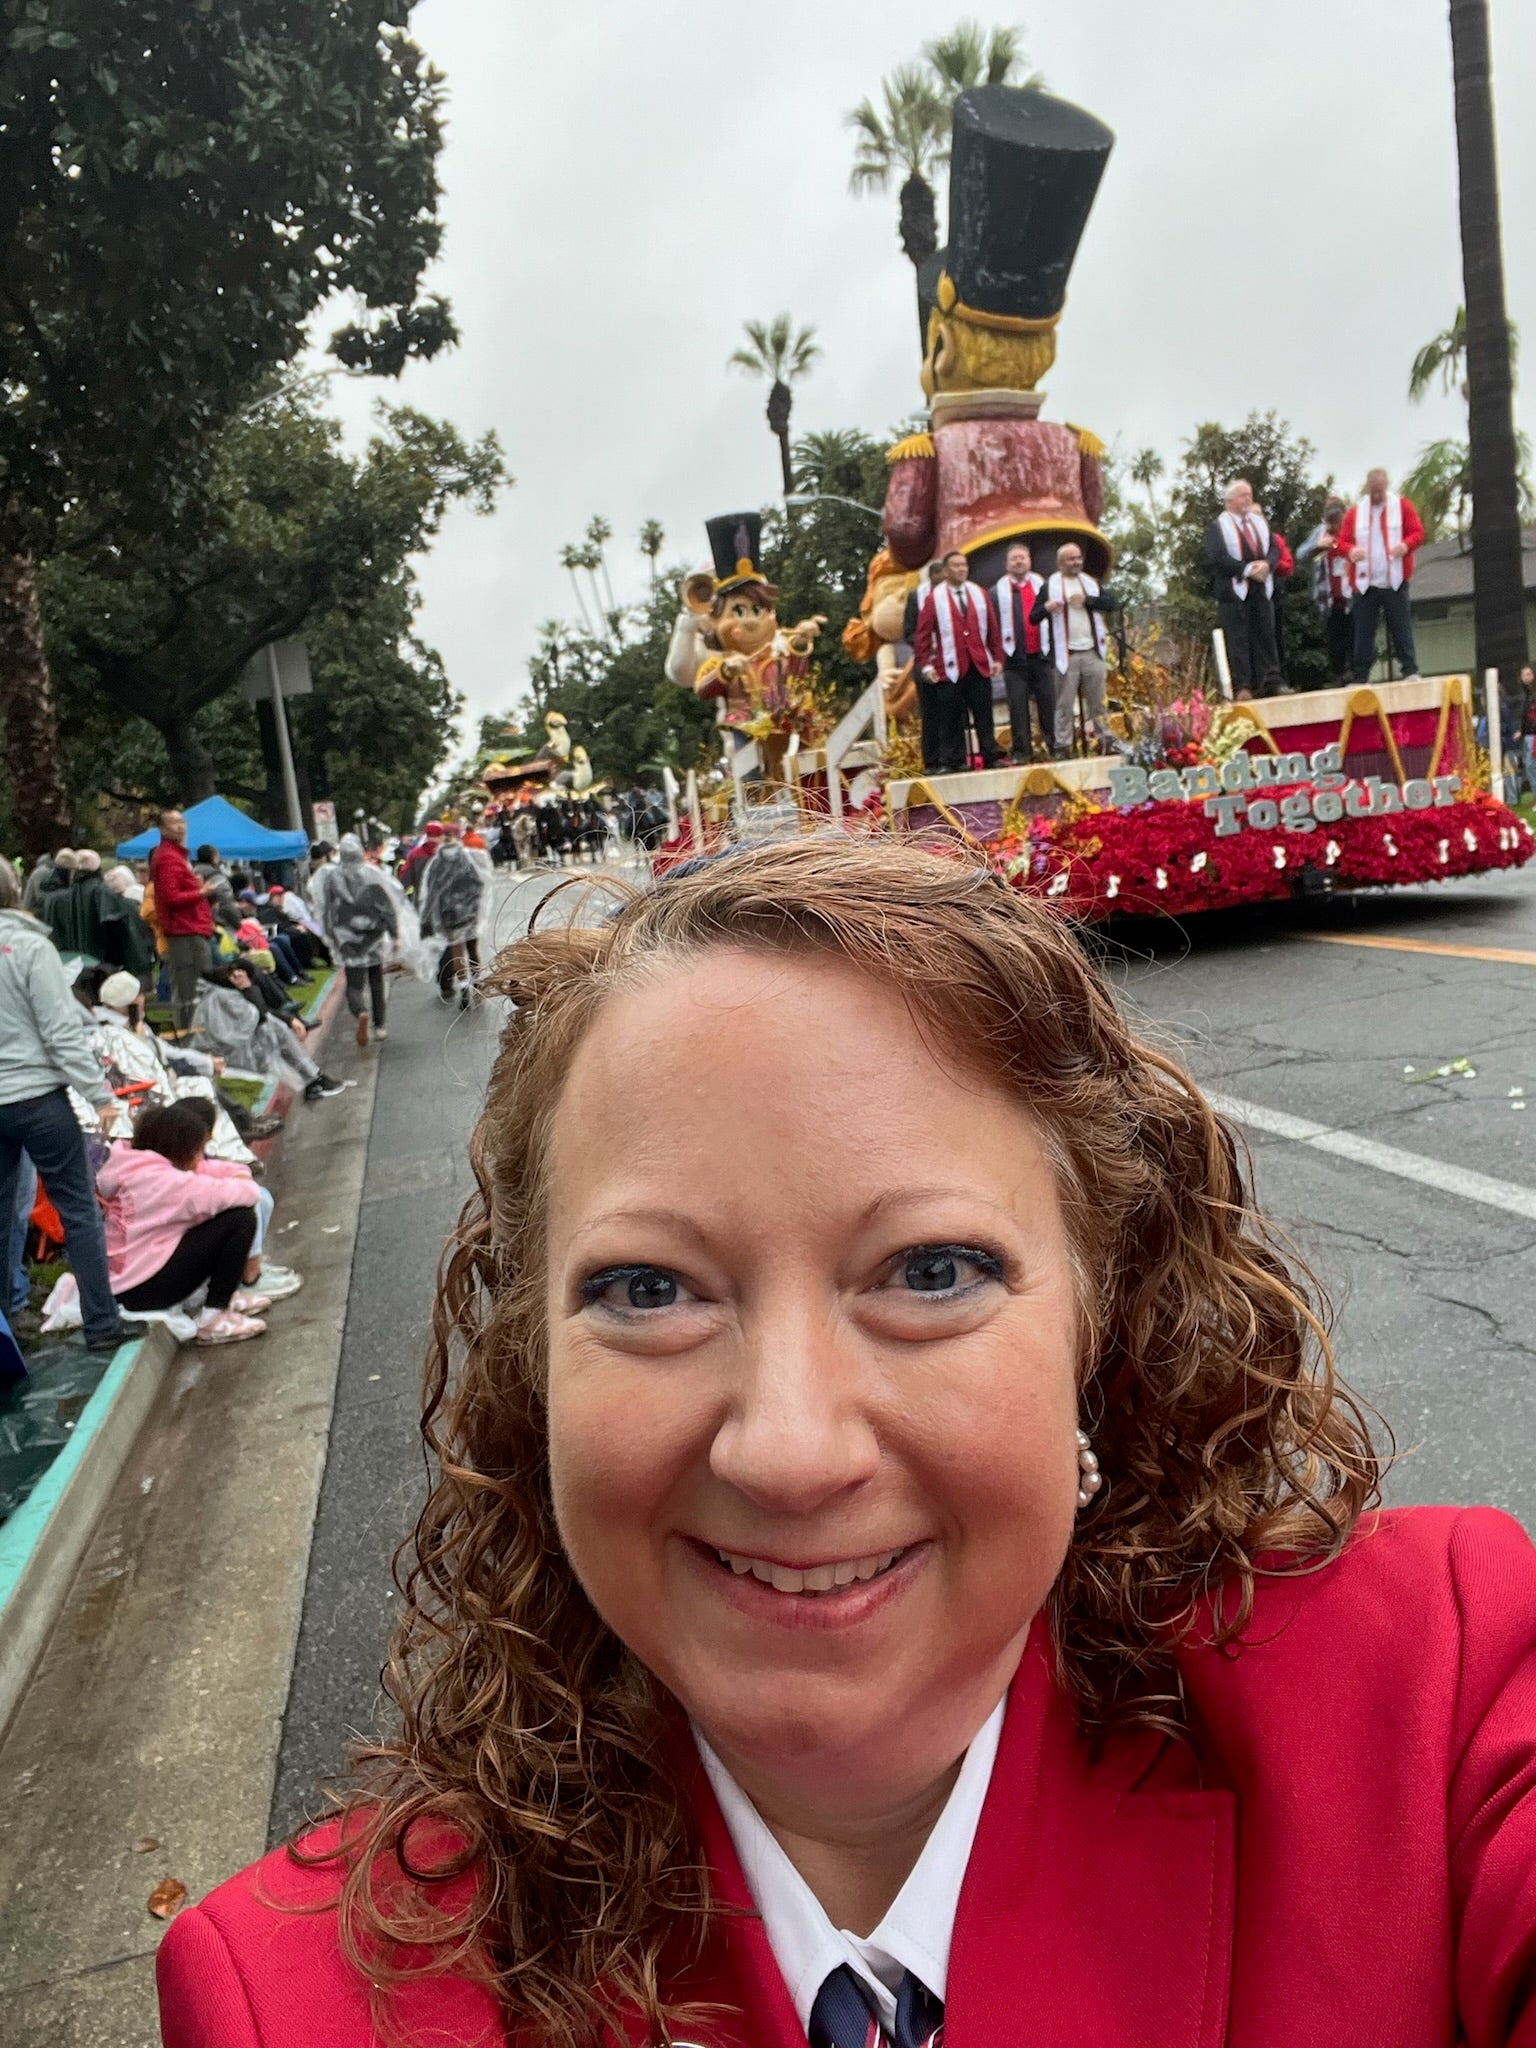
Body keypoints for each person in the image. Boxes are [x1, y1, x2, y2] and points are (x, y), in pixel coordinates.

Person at [159, 836, 1536, 2048]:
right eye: (650, 1291)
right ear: (534, 1370)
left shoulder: (1440, 1707)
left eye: (931, 1272)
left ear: (1100, 1327)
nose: (792, 1452)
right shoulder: (292, 1999)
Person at [0, 859, 135, 1353]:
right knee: (78, 1209)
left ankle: (8, 1329)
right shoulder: (31, 947)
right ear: (16, 890)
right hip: (37, 1097)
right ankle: (103, 1324)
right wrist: (99, 1095)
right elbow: (61, 1031)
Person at [96, 1101, 267, 1346]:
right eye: (198, 1150)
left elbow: (208, 1171)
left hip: (124, 1284)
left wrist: (232, 1173)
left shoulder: (133, 1167)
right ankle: (214, 1316)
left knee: (215, 1216)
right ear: (181, 1149)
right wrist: (241, 1176)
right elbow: (247, 1194)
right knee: (239, 1219)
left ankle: (220, 1301)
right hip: (143, 1290)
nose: (200, 1159)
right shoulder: (168, 1183)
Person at [193, 965, 348, 1104]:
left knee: (276, 1029)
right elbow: (259, 1016)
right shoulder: (222, 997)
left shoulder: (224, 994)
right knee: (272, 1030)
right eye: (235, 975)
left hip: (238, 1045)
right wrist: (248, 988)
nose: (241, 976)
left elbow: (261, 1014)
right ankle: (314, 1080)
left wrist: (290, 1019)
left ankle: (314, 1080)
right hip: (230, 1053)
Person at [912, 550, 1003, 775]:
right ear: (945, 570)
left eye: (963, 565)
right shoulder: (935, 598)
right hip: (950, 665)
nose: (961, 569)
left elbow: (993, 628)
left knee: (984, 714)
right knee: (952, 717)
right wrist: (925, 664)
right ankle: (955, 760)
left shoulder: (979, 593)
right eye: (955, 566)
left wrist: (998, 657)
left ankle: (990, 755)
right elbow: (922, 635)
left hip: (978, 663)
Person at [1032, 540, 1118, 752]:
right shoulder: (1049, 586)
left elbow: (1112, 604)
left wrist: (1088, 600)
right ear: (1060, 563)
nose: (1076, 562)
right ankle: (1063, 745)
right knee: (1064, 704)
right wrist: (1047, 607)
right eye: (1071, 559)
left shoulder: (1090, 583)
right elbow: (1033, 617)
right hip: (1065, 654)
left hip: (1092, 652)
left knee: (1098, 702)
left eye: (1079, 558)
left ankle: (1105, 741)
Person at [1338, 468, 1425, 679]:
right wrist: (1350, 550)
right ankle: (1361, 674)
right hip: (1365, 582)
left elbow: (1418, 532)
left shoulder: (1402, 506)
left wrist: (1406, 545)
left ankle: (1410, 668)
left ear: (1386, 486)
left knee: (1401, 627)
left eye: (1380, 490)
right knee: (1363, 631)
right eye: (1373, 491)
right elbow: (1340, 542)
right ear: (1367, 488)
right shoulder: (1355, 512)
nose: (1377, 495)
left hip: (1394, 579)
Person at [320, 834, 400, 1047]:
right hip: (372, 935)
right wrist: (395, 934)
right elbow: (387, 908)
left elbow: (327, 910)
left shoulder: (332, 877)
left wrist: (331, 936)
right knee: (376, 982)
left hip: (348, 939)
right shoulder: (373, 874)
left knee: (354, 986)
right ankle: (380, 1025)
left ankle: (360, 1011)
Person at [1204, 478, 1282, 697]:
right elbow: (1216, 557)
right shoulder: (1218, 526)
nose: (1248, 499)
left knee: (1266, 635)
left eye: (1250, 494)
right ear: (1230, 500)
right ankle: (1244, 685)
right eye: (1243, 495)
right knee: (1238, 639)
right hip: (1234, 591)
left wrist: (1267, 564)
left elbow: (1275, 549)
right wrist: (1247, 570)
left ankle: (1271, 681)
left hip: (1261, 586)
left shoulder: (1259, 522)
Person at [149, 810, 219, 1033]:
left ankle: (196, 1030)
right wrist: (202, 892)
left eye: (182, 821)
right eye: (174, 823)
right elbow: (170, 897)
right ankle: (193, 1033)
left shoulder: (175, 856)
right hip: (185, 931)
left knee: (193, 985)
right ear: (162, 829)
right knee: (193, 986)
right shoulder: (168, 857)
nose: (180, 827)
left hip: (190, 928)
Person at [992, 541, 1055, 761]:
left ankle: (1053, 746)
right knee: (1018, 708)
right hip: (1013, 658)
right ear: (1007, 564)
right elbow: (991, 627)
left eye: (1023, 557)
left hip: (1041, 655)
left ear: (1029, 561)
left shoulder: (1044, 586)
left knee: (1048, 704)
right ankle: (1022, 751)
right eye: (1014, 558)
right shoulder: (996, 592)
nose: (1019, 561)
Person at [421, 829, 486, 1009]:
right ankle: (478, 983)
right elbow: (478, 883)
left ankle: (464, 989)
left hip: (449, 915)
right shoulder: (465, 859)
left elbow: (431, 892)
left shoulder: (436, 863)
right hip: (468, 913)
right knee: (472, 950)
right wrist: (474, 905)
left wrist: (427, 917)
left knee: (457, 952)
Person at [1307, 495, 1354, 681]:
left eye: (1338, 522)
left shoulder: (1354, 529)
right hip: (1330, 598)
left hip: (1352, 594)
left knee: (1356, 637)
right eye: (1331, 523)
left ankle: (1356, 672)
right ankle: (1338, 674)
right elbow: (1301, 553)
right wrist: (1317, 545)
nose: (1335, 528)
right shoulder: (1320, 532)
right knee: (1335, 641)